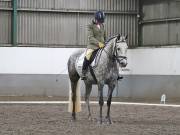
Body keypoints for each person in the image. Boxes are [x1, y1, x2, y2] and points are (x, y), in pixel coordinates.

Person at [81, 11, 106, 80]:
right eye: (100, 21)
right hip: (93, 46)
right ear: (96, 19)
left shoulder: (102, 25)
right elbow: (91, 38)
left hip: (102, 46)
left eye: (101, 21)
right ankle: (83, 72)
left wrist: (105, 43)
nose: (100, 22)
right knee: (88, 56)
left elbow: (104, 35)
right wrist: (99, 44)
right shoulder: (90, 25)